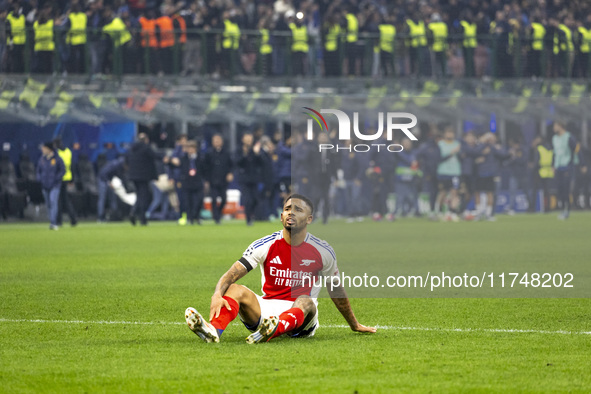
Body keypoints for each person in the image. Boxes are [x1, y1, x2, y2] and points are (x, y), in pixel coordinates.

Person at [184, 194, 376, 344]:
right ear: (281, 215)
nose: (291, 213)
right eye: (287, 209)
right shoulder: (265, 244)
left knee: (306, 299)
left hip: (302, 319)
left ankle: (274, 330)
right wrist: (217, 294)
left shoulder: (322, 251)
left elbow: (336, 290)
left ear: (309, 219)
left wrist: (354, 325)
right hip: (266, 311)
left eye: (298, 210)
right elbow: (231, 274)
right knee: (234, 289)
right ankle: (213, 331)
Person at [127, 133, 165, 226]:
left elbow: (126, 161)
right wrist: (165, 157)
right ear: (146, 140)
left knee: (139, 196)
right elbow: (155, 155)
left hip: (134, 176)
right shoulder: (146, 148)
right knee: (144, 197)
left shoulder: (132, 149)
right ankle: (142, 219)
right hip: (144, 176)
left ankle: (133, 211)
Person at [204, 134, 233, 224]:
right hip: (213, 180)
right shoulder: (208, 154)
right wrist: (207, 180)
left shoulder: (226, 153)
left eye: (218, 140)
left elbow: (231, 165)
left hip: (223, 180)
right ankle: (216, 218)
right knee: (214, 199)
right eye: (214, 140)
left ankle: (219, 213)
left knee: (224, 199)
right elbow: (205, 167)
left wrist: (230, 173)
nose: (216, 142)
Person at [552, 120, 577, 220]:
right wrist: (553, 165)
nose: (554, 128)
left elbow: (575, 150)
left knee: (566, 190)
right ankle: (562, 210)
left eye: (555, 125)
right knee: (560, 190)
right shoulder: (554, 138)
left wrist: (578, 163)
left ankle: (567, 211)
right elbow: (555, 153)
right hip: (558, 167)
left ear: (560, 126)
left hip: (567, 167)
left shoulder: (569, 137)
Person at [37, 142, 65, 230]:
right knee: (48, 204)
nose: (42, 150)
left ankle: (53, 222)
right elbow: (38, 171)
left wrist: (56, 179)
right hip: (45, 186)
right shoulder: (42, 159)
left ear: (49, 149)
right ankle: (51, 221)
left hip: (55, 185)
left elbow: (62, 170)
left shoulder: (57, 159)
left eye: (44, 148)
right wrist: (40, 179)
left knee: (53, 202)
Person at [53, 138, 77, 227]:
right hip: (67, 178)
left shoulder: (57, 153)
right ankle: (73, 219)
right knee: (66, 200)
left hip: (59, 179)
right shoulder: (68, 151)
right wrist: (72, 180)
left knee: (59, 200)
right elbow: (72, 166)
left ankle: (59, 221)